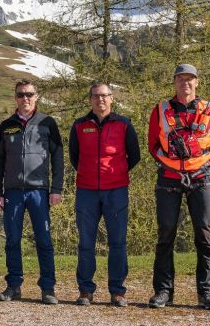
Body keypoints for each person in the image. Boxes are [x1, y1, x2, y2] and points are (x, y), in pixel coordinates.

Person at [148, 64, 210, 311]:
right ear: (174, 82)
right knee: (166, 235)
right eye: (181, 78)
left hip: (201, 177)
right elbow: (152, 144)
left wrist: (200, 166)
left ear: (198, 82)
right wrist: (174, 166)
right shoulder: (161, 109)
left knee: (204, 235)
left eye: (190, 79)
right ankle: (163, 291)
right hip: (169, 178)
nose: (186, 83)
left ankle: (207, 293)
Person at [0, 79, 63, 304]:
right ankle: (14, 286)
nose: (26, 98)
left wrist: (56, 189)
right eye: (21, 94)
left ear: (37, 96)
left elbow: (58, 157)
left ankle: (48, 288)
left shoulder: (48, 123)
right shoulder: (6, 125)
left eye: (30, 94)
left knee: (44, 239)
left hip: (40, 192)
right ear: (15, 97)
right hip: (12, 191)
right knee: (12, 239)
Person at [69, 82, 140, 307]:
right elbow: (74, 157)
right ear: (90, 99)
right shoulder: (79, 125)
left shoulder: (124, 124)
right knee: (85, 243)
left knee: (118, 242)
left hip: (116, 191)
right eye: (96, 96)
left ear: (112, 98)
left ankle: (117, 291)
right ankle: (85, 290)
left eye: (105, 96)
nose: (100, 100)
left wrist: (116, 173)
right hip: (86, 192)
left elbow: (134, 156)